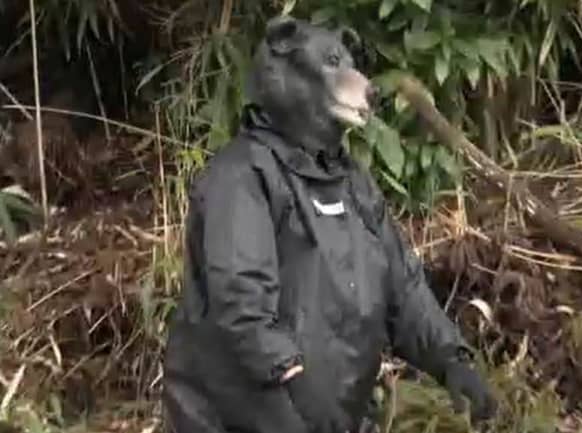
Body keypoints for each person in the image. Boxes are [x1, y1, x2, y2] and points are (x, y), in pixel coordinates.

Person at [161, 16, 497, 433]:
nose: (358, 81)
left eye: (349, 63)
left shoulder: (353, 183)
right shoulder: (243, 176)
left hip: (332, 416)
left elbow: (402, 286)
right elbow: (241, 301)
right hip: (242, 418)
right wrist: (293, 380)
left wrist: (451, 360)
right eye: (332, 63)